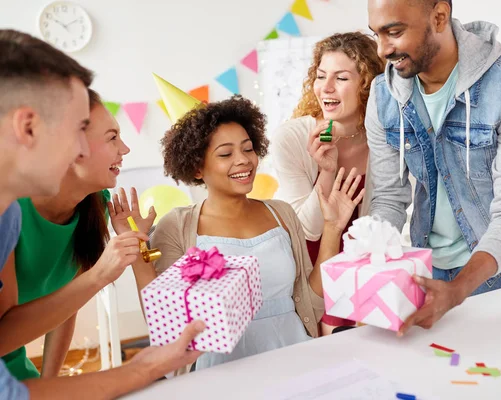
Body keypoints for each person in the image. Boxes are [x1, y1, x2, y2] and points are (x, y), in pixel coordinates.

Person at [0, 28, 204, 399]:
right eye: (80, 129)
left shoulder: (10, 218)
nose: (78, 148)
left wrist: (149, 365)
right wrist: (146, 366)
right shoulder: (13, 214)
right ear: (27, 127)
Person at [365, 0, 501, 334]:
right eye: (376, 34)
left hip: (486, 270)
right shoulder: (383, 96)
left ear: (439, 17)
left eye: (394, 32)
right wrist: (366, 270)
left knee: (481, 371)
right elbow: (389, 198)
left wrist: (458, 289)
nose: (382, 49)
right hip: (420, 266)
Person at [151, 95, 365, 370]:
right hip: (222, 370)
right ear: (197, 166)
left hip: (293, 355)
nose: (243, 161)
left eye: (248, 149)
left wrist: (332, 229)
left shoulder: (281, 213)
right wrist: (137, 259)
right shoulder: (176, 226)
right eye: (226, 154)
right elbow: (167, 321)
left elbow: (312, 299)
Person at [0, 89, 157, 380]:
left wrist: (50, 383)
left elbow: (66, 306)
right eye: (112, 138)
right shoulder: (8, 206)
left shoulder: (96, 205)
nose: (125, 149)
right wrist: (99, 274)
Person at [271, 32, 384, 334]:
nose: (326, 88)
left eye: (341, 78)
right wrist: (327, 171)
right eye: (321, 76)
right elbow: (308, 229)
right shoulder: (291, 139)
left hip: (363, 270)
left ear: (368, 83)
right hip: (309, 273)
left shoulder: (383, 141)